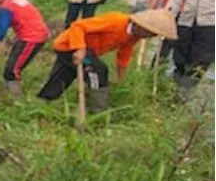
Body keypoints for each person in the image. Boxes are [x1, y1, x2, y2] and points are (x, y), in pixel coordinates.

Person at [36, 9, 177, 113]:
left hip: (88, 50)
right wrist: (79, 48)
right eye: (150, 33)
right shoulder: (115, 21)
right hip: (69, 45)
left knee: (64, 74)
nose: (150, 37)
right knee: (98, 70)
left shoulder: (134, 36)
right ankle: (98, 109)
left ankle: (44, 101)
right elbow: (78, 26)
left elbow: (124, 53)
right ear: (142, 26)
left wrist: (121, 77)